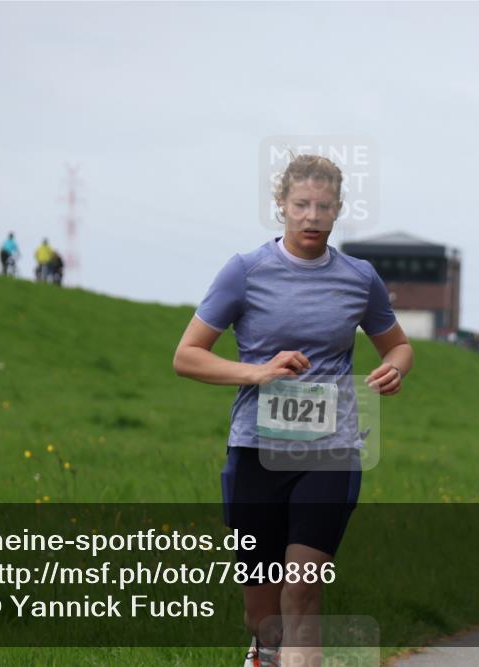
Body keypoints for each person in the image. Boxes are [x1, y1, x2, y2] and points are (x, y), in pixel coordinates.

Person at [172, 154, 413, 667]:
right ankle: (263, 652)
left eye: (324, 206)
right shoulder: (245, 271)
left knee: (302, 590)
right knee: (263, 615)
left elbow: (398, 345)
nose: (312, 216)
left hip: (332, 451)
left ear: (338, 210)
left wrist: (395, 367)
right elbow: (186, 356)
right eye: (301, 204)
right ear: (280, 205)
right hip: (256, 452)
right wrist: (257, 372)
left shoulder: (359, 277)